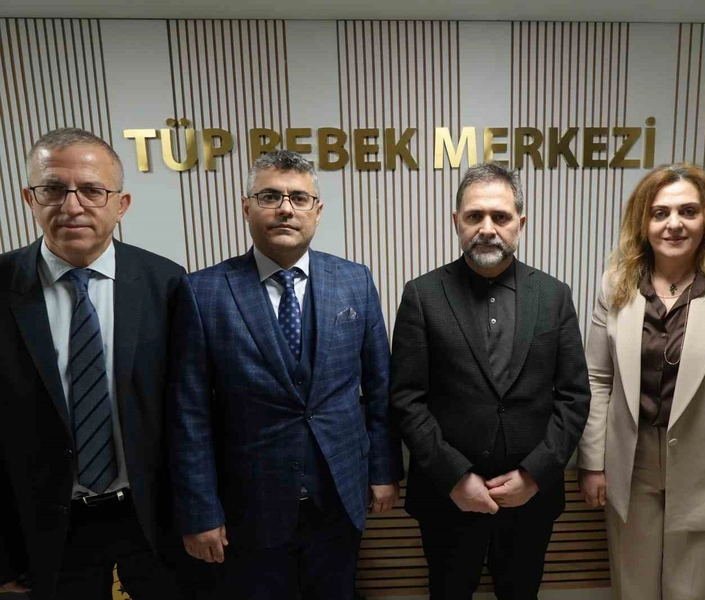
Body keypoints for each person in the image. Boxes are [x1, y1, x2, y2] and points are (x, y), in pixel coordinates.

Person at [169, 150, 403, 600]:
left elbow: (380, 387)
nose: (285, 208)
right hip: (249, 504)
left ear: (317, 210)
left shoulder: (354, 280)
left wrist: (384, 470)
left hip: (339, 495)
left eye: (299, 197)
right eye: (270, 196)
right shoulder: (203, 292)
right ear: (246, 207)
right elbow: (189, 413)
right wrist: (200, 510)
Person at [578, 163, 705, 599]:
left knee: (695, 591)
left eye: (688, 211)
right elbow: (597, 380)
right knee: (633, 589)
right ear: (643, 222)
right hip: (630, 465)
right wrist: (592, 462)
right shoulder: (615, 287)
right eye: (660, 213)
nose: (674, 224)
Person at [0, 128, 187, 599]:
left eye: (91, 190)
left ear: (121, 204)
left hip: (152, 518)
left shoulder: (167, 283)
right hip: (48, 528)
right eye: (53, 189)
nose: (72, 205)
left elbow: (191, 412)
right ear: (29, 198)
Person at [390, 162, 591, 600]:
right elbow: (406, 399)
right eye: (474, 216)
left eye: (500, 216)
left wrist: (535, 475)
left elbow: (574, 397)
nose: (487, 228)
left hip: (531, 500)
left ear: (521, 222)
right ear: (456, 221)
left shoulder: (554, 296)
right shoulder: (422, 295)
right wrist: (454, 477)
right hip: (447, 497)